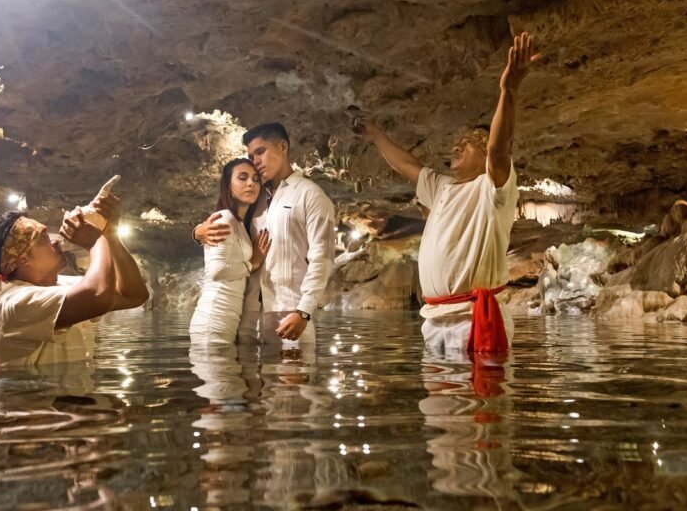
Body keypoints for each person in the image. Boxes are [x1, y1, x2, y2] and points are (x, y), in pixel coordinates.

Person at [353, 32, 539, 354]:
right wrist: (375, 135)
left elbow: (499, 148)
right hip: (435, 318)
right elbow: (407, 164)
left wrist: (508, 90)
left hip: (473, 319)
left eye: (467, 144)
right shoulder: (442, 188)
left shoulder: (492, 190)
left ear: (484, 156)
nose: (456, 146)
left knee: (478, 402)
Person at [193, 123, 336, 349]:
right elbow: (227, 223)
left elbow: (323, 258)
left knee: (291, 383)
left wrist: (304, 312)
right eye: (251, 155)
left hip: (289, 313)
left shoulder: (311, 196)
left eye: (261, 152)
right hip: (247, 317)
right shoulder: (255, 199)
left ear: (282, 147)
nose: (255, 161)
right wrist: (197, 233)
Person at [0, 188, 149, 372]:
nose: (56, 241)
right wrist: (95, 240)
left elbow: (135, 295)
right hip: (34, 400)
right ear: (23, 259)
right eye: (43, 238)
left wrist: (110, 236)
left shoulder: (61, 285)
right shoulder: (15, 303)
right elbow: (99, 295)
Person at [189, 158, 271, 346]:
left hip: (226, 317)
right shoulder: (224, 219)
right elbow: (217, 271)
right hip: (214, 317)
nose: (251, 183)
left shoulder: (239, 223)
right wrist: (253, 264)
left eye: (255, 179)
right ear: (228, 185)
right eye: (242, 178)